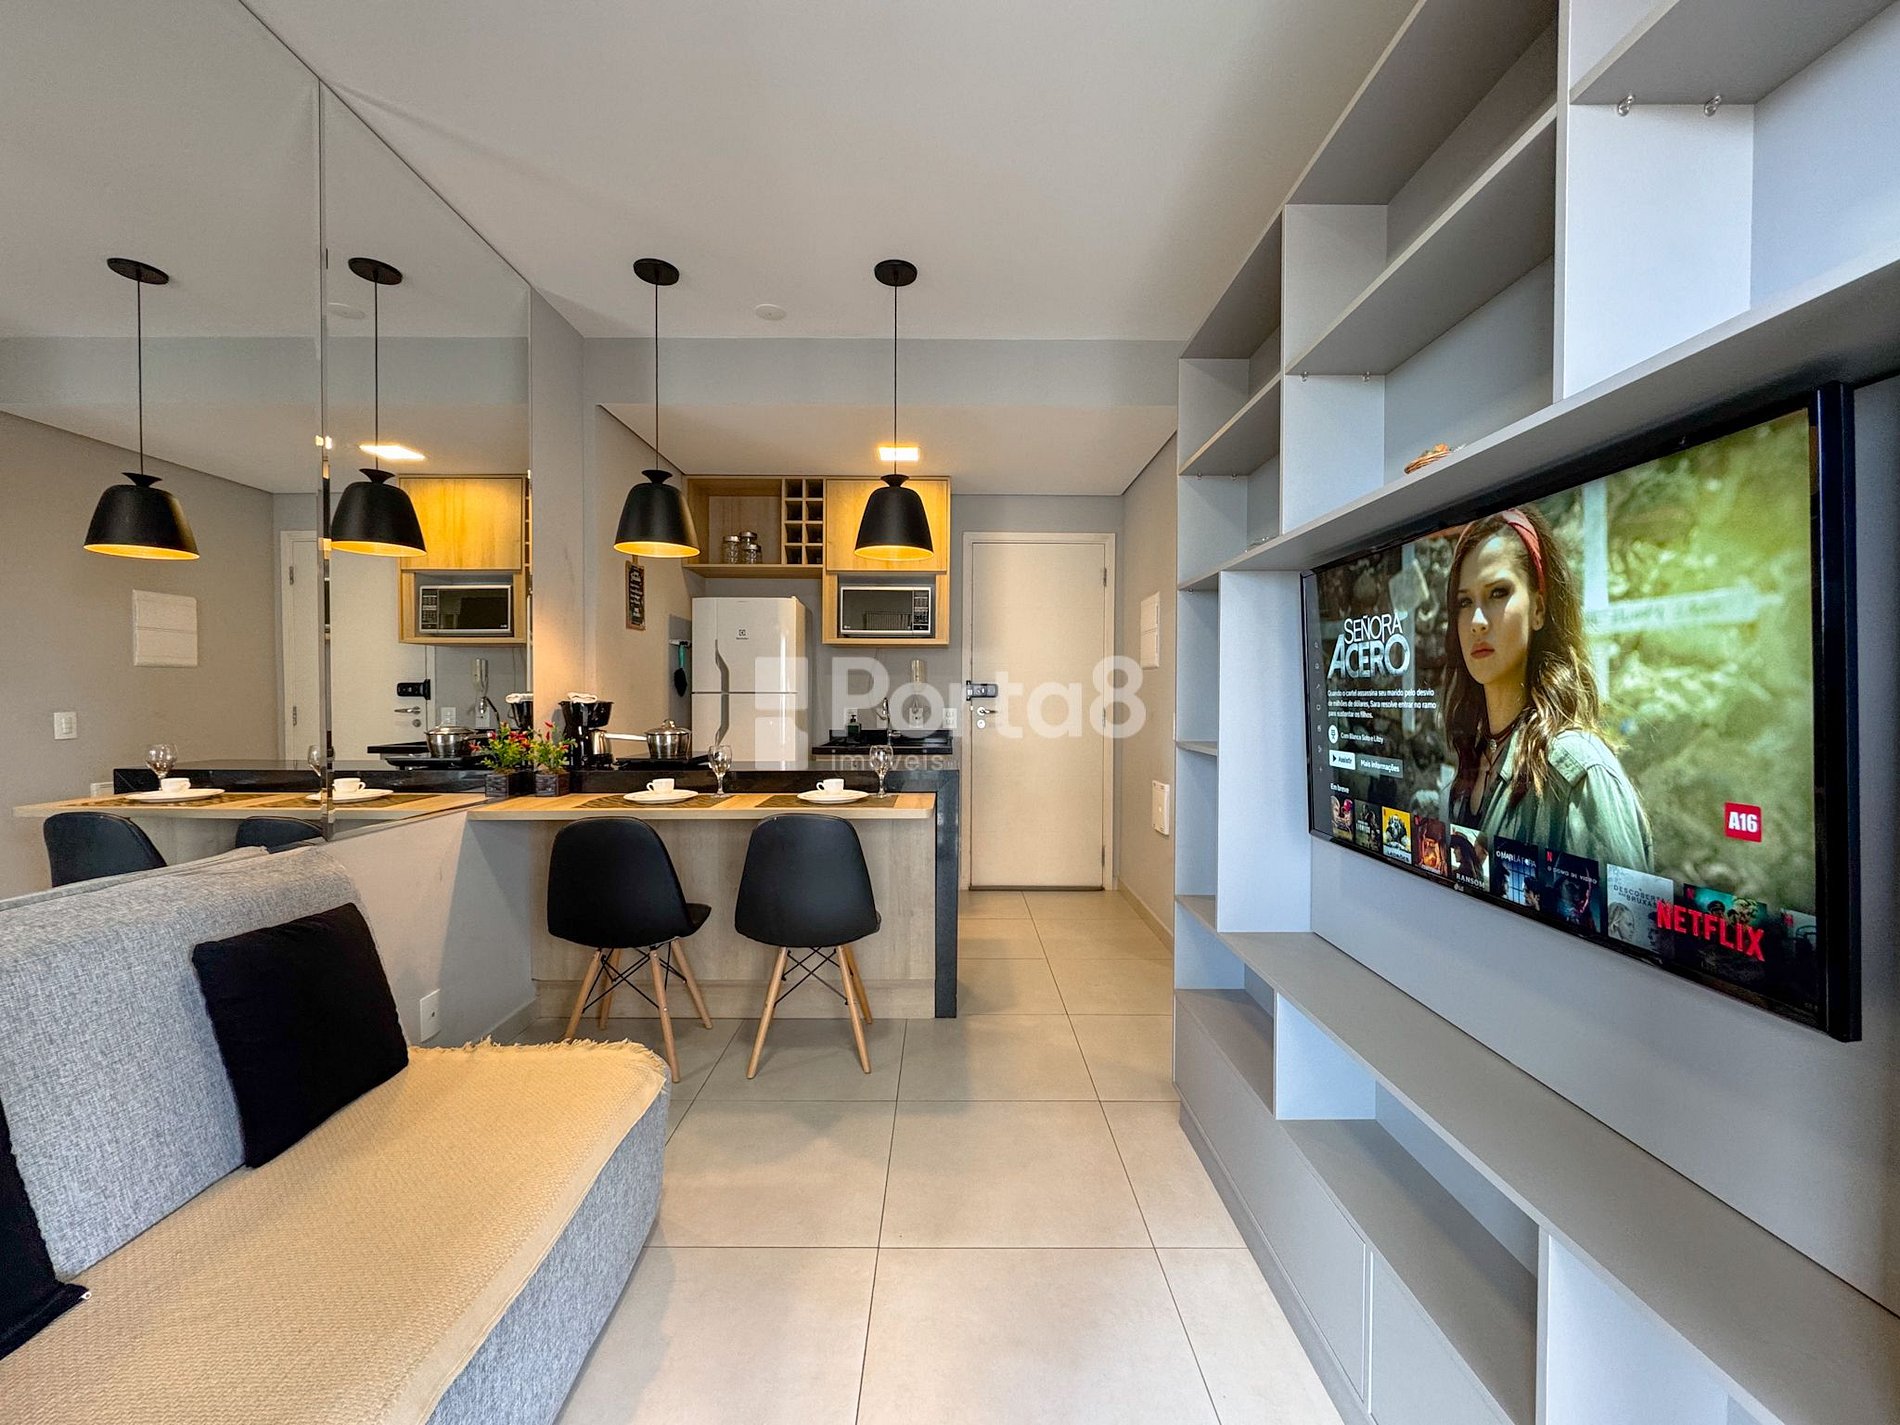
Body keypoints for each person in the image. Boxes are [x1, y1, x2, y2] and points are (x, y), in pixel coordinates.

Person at [1441, 505, 1652, 872]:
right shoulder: (1473, 761)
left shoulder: (1580, 773)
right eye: (1464, 602)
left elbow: (1624, 906)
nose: (1476, 621)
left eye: (1498, 593)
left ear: (1538, 609)